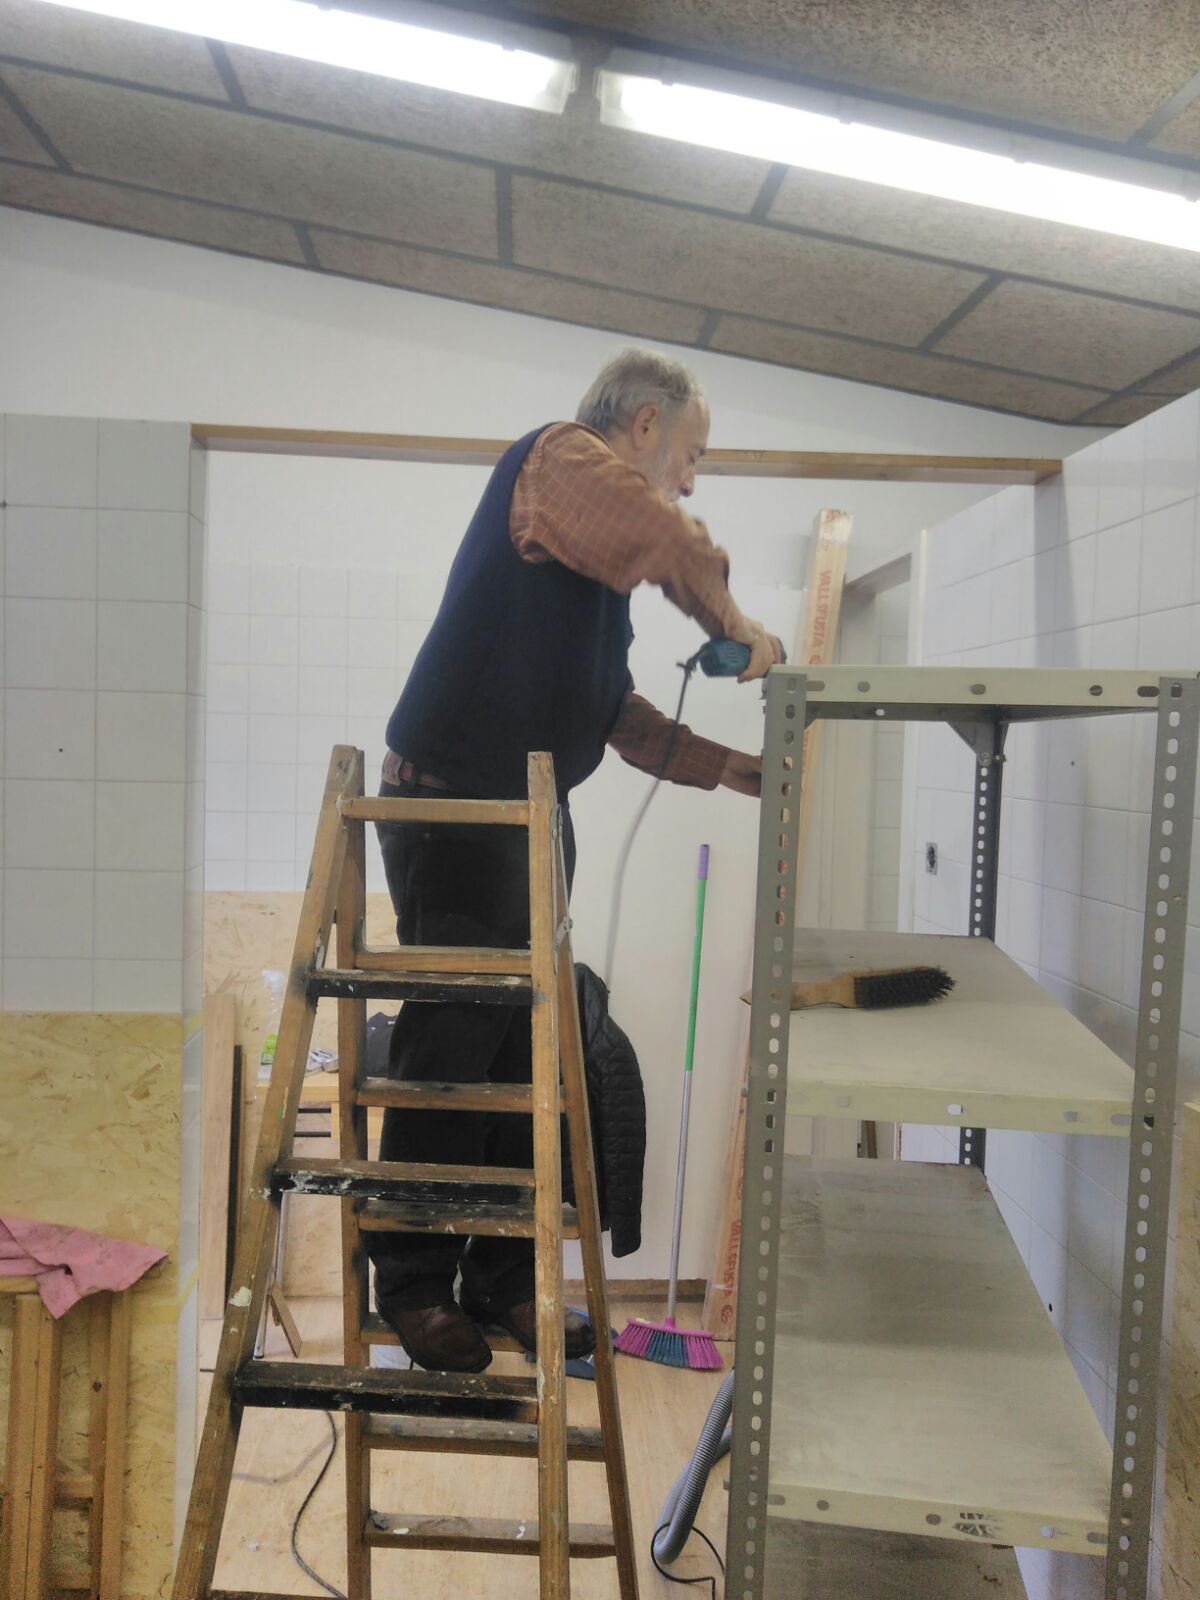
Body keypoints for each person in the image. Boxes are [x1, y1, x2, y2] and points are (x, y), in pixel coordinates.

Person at [371, 347, 784, 1372]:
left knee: (532, 1051)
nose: (691, 480)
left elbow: (613, 713)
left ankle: (504, 1276)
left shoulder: (594, 568)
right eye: (691, 454)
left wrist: (732, 770)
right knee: (454, 1044)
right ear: (643, 426)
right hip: (453, 802)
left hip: (526, 808)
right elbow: (669, 536)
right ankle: (413, 1284)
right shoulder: (558, 461)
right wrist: (738, 625)